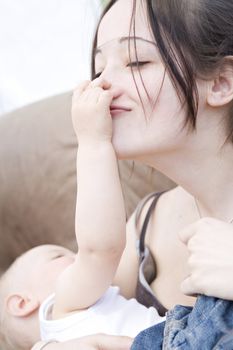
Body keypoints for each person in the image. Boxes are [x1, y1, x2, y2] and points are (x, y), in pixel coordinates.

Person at [32, 0, 233, 348]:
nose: (100, 87)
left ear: (220, 82)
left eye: (137, 62)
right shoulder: (143, 227)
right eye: (98, 69)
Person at [0, 77, 166, 349]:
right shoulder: (63, 307)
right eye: (59, 255)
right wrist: (93, 141)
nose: (77, 256)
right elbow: (99, 250)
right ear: (23, 303)